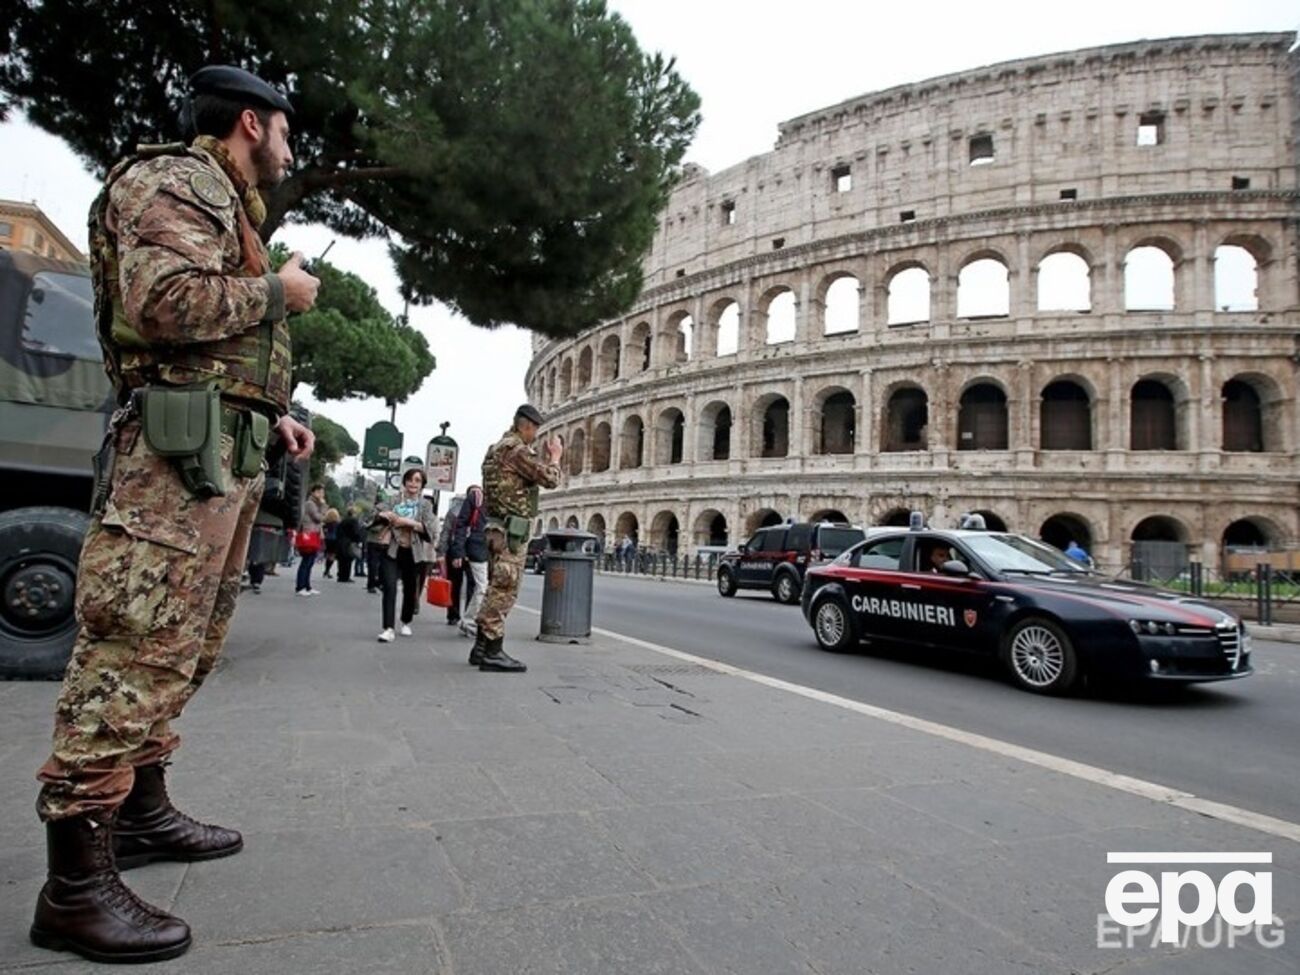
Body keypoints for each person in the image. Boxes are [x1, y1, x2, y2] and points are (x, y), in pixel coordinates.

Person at [30, 65, 317, 963]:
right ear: (249, 122)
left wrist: (277, 413)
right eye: (283, 130)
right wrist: (282, 294)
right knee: (132, 647)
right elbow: (165, 306)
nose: (289, 148)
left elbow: (209, 340)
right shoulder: (178, 180)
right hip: (170, 466)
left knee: (180, 645)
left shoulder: (225, 201)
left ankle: (142, 813)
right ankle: (73, 888)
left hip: (216, 454)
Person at [471, 405, 562, 672]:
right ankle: (493, 653)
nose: (535, 436)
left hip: (495, 528)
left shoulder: (495, 449)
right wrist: (555, 457)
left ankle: (480, 649)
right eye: (535, 430)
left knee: (494, 587)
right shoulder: (517, 449)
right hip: (512, 532)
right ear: (527, 426)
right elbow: (550, 479)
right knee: (504, 590)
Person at [376, 468, 438, 642]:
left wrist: (406, 522)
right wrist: (383, 514)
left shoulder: (425, 505)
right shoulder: (393, 500)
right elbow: (377, 515)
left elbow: (429, 529)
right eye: (410, 480)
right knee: (390, 587)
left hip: (414, 552)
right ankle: (388, 628)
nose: (413, 484)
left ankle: (406, 621)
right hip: (392, 549)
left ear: (422, 485)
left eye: (417, 481)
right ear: (404, 482)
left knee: (411, 588)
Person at [451, 484, 489, 638]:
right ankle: (470, 622)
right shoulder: (476, 497)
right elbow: (461, 525)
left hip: (494, 549)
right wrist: (458, 552)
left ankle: (469, 621)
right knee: (482, 587)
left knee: (482, 587)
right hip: (477, 547)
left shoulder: (504, 499)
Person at [436, 494, 467, 626]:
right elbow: (446, 532)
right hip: (459, 551)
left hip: (463, 551)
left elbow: (445, 533)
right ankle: (457, 615)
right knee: (457, 584)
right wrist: (441, 552)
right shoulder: (455, 511)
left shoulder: (454, 512)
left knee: (461, 585)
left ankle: (459, 616)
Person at [296, 483, 325, 595]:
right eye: (318, 491)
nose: (321, 494)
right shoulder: (310, 503)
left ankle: (307, 586)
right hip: (309, 533)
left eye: (322, 492)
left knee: (310, 561)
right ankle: (300, 587)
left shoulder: (316, 504)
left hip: (315, 534)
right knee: (306, 561)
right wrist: (323, 506)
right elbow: (318, 518)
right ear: (313, 492)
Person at [364, 499, 389, 593]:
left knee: (372, 564)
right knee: (382, 564)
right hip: (384, 541)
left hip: (372, 540)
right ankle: (379, 582)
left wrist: (369, 527)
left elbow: (367, 524)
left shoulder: (373, 512)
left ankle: (371, 584)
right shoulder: (388, 511)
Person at [335, 505, 364, 583]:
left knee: (341, 560)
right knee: (348, 560)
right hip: (349, 542)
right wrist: (358, 541)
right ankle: (346, 576)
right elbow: (356, 532)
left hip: (340, 542)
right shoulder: (354, 521)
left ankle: (340, 576)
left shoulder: (343, 520)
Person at [321, 506, 341, 577]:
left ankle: (326, 570)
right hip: (334, 540)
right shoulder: (337, 523)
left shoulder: (326, 523)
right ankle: (327, 570)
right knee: (332, 555)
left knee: (328, 555)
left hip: (327, 539)